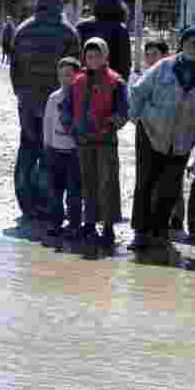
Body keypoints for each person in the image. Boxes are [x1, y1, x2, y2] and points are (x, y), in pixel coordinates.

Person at [127, 25, 195, 251]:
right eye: (189, 41)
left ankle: (159, 232)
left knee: (169, 187)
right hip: (150, 132)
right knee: (145, 183)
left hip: (182, 140)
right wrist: (136, 118)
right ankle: (140, 233)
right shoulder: (164, 66)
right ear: (182, 44)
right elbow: (138, 91)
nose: (194, 45)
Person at [10, 0, 81, 221]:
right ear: (59, 6)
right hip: (56, 103)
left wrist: (21, 95)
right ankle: (46, 202)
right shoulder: (68, 32)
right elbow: (75, 73)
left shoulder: (22, 30)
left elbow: (14, 70)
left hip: (28, 103)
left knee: (27, 149)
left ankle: (26, 203)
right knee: (50, 152)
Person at [61, 37, 128, 252]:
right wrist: (71, 129)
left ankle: (108, 227)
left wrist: (110, 125)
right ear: (85, 58)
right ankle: (88, 224)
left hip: (106, 143)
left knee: (107, 184)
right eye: (89, 56)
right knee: (87, 184)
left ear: (105, 56)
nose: (93, 59)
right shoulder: (77, 82)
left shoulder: (116, 81)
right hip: (83, 143)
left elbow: (123, 111)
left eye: (97, 55)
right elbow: (65, 109)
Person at [129, 39, 169, 243]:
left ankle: (162, 228)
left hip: (170, 134)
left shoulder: (172, 77)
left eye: (155, 53)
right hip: (145, 133)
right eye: (148, 54)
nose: (151, 58)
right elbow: (133, 108)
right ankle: (140, 230)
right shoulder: (140, 78)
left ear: (165, 56)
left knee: (167, 181)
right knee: (143, 180)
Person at [42, 56, 83, 244]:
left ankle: (74, 224)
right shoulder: (54, 97)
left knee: (74, 191)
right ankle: (55, 223)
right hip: (55, 151)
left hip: (74, 152)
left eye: (69, 75)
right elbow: (47, 124)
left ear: (77, 75)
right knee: (55, 191)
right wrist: (47, 146)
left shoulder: (82, 97)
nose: (64, 79)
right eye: (61, 75)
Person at [76, 0, 132, 81]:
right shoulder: (120, 29)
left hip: (83, 81)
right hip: (110, 82)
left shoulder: (81, 26)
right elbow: (125, 63)